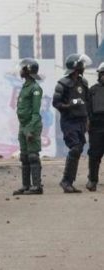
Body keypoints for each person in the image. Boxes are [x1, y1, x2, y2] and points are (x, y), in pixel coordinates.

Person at [52, 53, 91, 193]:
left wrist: (88, 120)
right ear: (76, 67)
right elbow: (56, 103)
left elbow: (87, 102)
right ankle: (65, 181)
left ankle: (69, 182)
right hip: (69, 121)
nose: (83, 67)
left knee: (79, 149)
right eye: (81, 64)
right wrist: (69, 106)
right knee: (74, 148)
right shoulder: (62, 84)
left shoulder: (84, 83)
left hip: (81, 120)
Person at [12, 58, 44, 195]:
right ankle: (26, 185)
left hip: (32, 126)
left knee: (32, 156)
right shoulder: (25, 87)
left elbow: (36, 113)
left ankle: (37, 186)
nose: (20, 71)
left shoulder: (35, 89)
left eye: (23, 68)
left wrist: (30, 129)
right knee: (24, 156)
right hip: (23, 125)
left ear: (28, 71)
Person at [85, 62, 104, 191]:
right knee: (94, 154)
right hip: (97, 125)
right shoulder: (93, 90)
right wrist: (87, 122)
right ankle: (92, 180)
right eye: (103, 74)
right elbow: (87, 108)